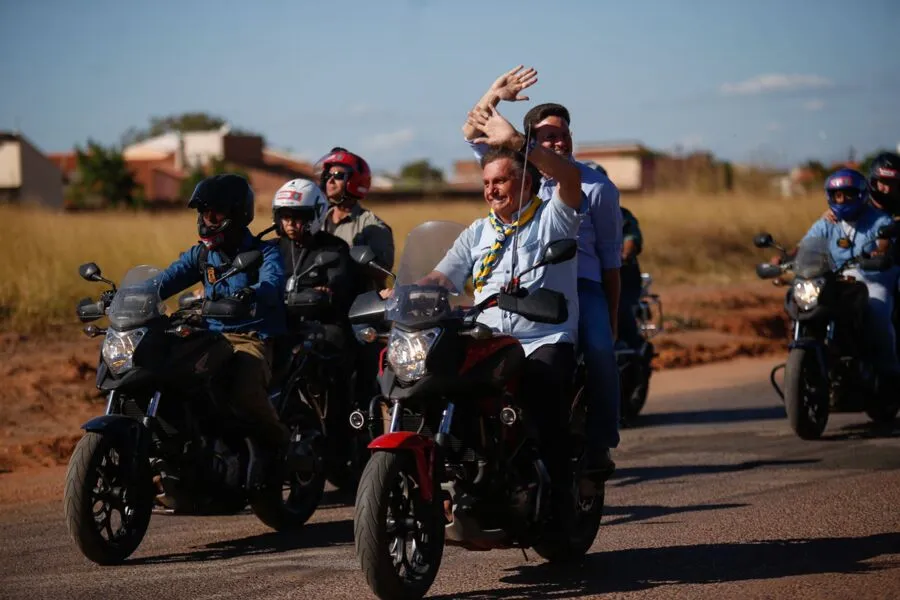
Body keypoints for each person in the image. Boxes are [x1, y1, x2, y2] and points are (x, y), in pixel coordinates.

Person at [384, 109, 584, 528]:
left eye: (502, 181)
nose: (493, 190)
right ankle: (459, 473)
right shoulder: (478, 232)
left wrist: (519, 144)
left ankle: (562, 499)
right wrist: (403, 293)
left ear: (525, 181)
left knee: (543, 395)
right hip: (489, 337)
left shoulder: (553, 217)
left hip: (542, 337)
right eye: (487, 183)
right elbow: (442, 275)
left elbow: (569, 179)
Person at [463, 66, 621, 477]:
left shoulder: (594, 187)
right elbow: (472, 129)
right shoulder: (516, 170)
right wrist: (493, 94)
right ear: (530, 141)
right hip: (516, 285)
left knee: (602, 351)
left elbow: (610, 262)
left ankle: (601, 443)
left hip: (580, 284)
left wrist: (612, 316)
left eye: (564, 135)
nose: (559, 142)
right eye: (549, 136)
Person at [157, 174, 289, 481]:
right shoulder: (202, 255)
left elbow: (273, 284)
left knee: (243, 387)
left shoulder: (264, 253)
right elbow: (164, 281)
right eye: (204, 214)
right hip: (208, 334)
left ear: (236, 214)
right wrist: (128, 294)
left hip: (248, 336)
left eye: (214, 214)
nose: (207, 221)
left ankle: (279, 444)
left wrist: (253, 294)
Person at [773, 168, 899, 385]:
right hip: (836, 279)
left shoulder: (879, 220)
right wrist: (784, 259)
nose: (842, 200)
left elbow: (884, 243)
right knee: (801, 300)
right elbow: (805, 246)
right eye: (837, 195)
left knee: (878, 313)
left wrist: (880, 252)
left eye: (848, 194)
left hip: (873, 278)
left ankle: (890, 373)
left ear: (861, 194)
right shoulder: (827, 222)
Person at [271, 177, 362, 477]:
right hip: (284, 327)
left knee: (332, 363)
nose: (291, 224)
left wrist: (319, 296)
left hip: (325, 328)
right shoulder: (272, 250)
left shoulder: (335, 249)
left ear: (315, 216)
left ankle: (337, 442)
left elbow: (336, 293)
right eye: (286, 217)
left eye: (299, 218)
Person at [315, 147, 395, 289]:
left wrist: (348, 258)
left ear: (354, 181)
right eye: (328, 175)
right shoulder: (316, 220)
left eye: (338, 175)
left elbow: (382, 273)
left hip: (357, 304)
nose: (330, 180)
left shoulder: (373, 226)